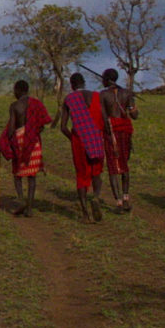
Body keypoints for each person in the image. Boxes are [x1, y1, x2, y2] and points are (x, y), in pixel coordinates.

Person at [59, 72, 111, 222]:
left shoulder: (69, 99)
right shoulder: (96, 96)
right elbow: (105, 120)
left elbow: (63, 127)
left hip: (79, 141)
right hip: (95, 138)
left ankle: (85, 214)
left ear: (72, 85)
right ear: (84, 83)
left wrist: (73, 139)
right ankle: (95, 197)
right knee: (96, 172)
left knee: (82, 176)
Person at [0, 79, 52, 217]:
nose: (14, 93)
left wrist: (3, 144)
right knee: (32, 176)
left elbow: (11, 129)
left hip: (20, 141)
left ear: (19, 90)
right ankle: (30, 208)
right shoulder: (37, 104)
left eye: (15, 90)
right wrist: (32, 132)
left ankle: (21, 199)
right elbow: (42, 124)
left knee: (17, 173)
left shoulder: (15, 106)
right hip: (34, 141)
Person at [100, 67, 139, 212]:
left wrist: (107, 133)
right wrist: (131, 100)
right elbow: (135, 115)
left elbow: (104, 117)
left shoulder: (103, 95)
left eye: (103, 78)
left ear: (107, 80)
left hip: (112, 132)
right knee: (124, 163)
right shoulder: (126, 93)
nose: (102, 81)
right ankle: (126, 198)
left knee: (113, 167)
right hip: (126, 132)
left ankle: (119, 202)